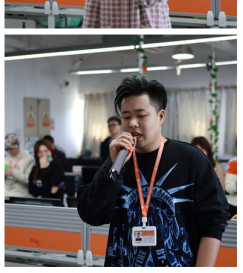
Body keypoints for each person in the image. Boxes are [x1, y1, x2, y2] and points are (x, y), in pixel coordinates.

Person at [78, 74, 229, 267]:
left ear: (161, 116)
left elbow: (214, 221)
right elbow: (91, 215)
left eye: (141, 116)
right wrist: (111, 168)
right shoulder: (118, 161)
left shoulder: (191, 159)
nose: (133, 123)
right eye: (126, 117)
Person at [28, 138, 65, 204]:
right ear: (37, 154)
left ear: (51, 151)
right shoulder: (35, 167)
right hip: (37, 203)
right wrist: (48, 191)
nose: (44, 154)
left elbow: (48, 186)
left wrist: (44, 169)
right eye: (40, 152)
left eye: (46, 151)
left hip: (53, 205)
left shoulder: (57, 166)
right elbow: (31, 189)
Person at [4, 133, 35, 197]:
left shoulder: (29, 159)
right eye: (6, 149)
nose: (8, 151)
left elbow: (28, 180)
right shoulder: (5, 159)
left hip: (20, 196)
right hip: (5, 194)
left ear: (17, 146)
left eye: (10, 149)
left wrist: (13, 172)